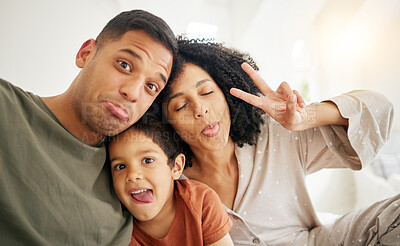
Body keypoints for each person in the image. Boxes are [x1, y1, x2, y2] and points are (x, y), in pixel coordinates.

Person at [158, 37, 399, 245]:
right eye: (180, 106)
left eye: (207, 92)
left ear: (225, 92)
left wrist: (309, 116)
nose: (201, 110)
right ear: (165, 123)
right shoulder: (171, 183)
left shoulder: (274, 134)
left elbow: (380, 111)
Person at [0, 10, 177, 245]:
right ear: (85, 54)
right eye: (124, 65)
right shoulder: (7, 107)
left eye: (151, 86)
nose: (133, 93)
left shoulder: (131, 170)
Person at [108, 116, 233, 246]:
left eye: (148, 160)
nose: (132, 175)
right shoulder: (120, 233)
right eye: (120, 166)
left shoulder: (201, 201)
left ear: (176, 167)